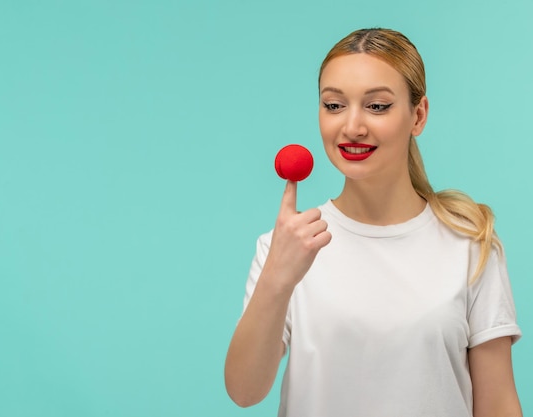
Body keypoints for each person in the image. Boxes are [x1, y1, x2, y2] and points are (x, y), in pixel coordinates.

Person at [224, 28, 522, 417]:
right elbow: (244, 391)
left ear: (418, 115)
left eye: (377, 106)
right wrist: (277, 278)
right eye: (333, 105)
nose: (352, 127)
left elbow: (498, 404)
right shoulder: (285, 246)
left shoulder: (470, 244)